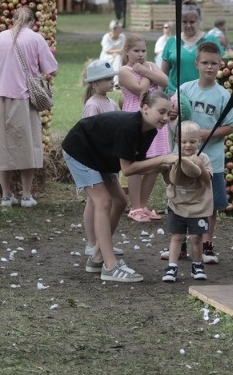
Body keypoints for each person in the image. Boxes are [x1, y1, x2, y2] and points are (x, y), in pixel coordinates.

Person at [61, 90, 178, 283]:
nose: (166, 117)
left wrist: (162, 166)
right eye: (161, 112)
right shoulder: (129, 127)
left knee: (120, 201)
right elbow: (128, 169)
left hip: (100, 156)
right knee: (103, 201)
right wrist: (161, 159)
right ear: (145, 109)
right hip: (80, 150)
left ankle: (97, 258)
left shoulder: (149, 130)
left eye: (169, 113)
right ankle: (110, 266)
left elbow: (138, 165)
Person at [0, 6, 59, 207]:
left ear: (13, 20)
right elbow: (52, 69)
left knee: (2, 146)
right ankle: (27, 195)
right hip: (24, 98)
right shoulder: (36, 38)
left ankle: (6, 195)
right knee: (27, 146)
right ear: (33, 22)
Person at [177, 40, 233, 263]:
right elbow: (174, 115)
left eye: (214, 64)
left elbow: (229, 126)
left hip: (212, 160)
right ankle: (179, 242)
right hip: (183, 157)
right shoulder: (184, 90)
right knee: (181, 198)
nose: (209, 67)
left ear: (220, 65)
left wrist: (207, 133)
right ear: (197, 64)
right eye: (205, 63)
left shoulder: (223, 95)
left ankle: (207, 243)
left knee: (211, 202)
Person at [119, 34, 170, 223]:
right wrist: (143, 72)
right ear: (126, 52)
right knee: (136, 164)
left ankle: (144, 205)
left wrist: (145, 69)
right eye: (136, 51)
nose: (140, 54)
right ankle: (135, 207)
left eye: (143, 51)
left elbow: (164, 81)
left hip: (155, 120)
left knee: (154, 163)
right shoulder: (124, 71)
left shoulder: (149, 66)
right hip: (136, 117)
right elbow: (140, 90)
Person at [80, 60, 122, 261]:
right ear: (95, 83)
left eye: (112, 78)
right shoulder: (92, 105)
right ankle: (92, 243)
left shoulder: (111, 103)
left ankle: (101, 243)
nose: (112, 82)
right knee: (94, 200)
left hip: (107, 158)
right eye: (107, 79)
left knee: (103, 200)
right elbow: (89, 133)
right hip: (95, 159)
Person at [161, 121, 213, 282]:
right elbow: (170, 181)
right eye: (183, 142)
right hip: (177, 205)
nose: (188, 145)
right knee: (177, 237)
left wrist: (199, 166)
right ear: (177, 142)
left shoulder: (203, 158)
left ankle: (197, 265)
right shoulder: (174, 158)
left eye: (192, 141)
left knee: (196, 238)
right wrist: (165, 169)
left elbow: (207, 180)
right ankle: (172, 267)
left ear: (200, 141)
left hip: (198, 207)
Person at [161, 2, 223, 95]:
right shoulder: (172, 41)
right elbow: (163, 73)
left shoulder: (210, 40)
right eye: (184, 22)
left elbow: (221, 68)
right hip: (175, 96)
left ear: (199, 20)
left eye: (192, 22)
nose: (188, 25)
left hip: (202, 96)